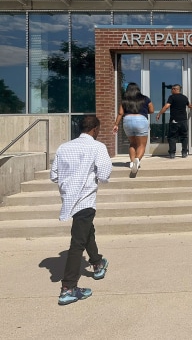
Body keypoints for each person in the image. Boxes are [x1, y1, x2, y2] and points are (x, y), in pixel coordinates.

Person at [50, 115, 112, 306]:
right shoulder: (97, 147)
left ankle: (96, 262)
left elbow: (54, 176)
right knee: (77, 243)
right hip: (85, 199)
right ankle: (68, 288)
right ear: (94, 130)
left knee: (87, 231)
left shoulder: (64, 147)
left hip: (69, 199)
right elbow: (104, 174)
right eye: (98, 131)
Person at [112, 82, 154, 173]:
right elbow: (151, 110)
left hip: (127, 120)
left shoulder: (125, 100)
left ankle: (132, 162)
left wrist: (116, 124)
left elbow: (120, 113)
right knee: (141, 144)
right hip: (141, 120)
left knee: (132, 143)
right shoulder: (145, 99)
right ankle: (137, 160)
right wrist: (143, 110)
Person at [156, 84, 192, 158]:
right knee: (184, 136)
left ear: (175, 89)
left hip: (174, 120)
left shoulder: (172, 97)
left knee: (172, 137)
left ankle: (172, 153)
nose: (171, 91)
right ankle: (184, 153)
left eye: (172, 89)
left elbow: (167, 106)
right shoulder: (184, 97)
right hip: (183, 120)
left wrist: (159, 113)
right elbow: (189, 106)